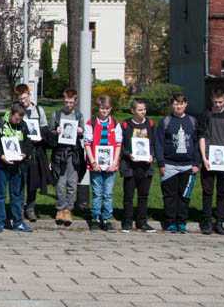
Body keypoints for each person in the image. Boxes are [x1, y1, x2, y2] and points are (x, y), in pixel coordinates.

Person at [155, 92, 200, 234]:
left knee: (184, 195)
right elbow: (159, 143)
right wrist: (161, 162)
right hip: (169, 165)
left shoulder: (192, 121)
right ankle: (170, 222)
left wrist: (196, 163)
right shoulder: (166, 121)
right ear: (171, 105)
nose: (178, 107)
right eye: (176, 104)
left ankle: (181, 222)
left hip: (187, 165)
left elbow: (196, 142)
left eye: (181, 104)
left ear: (186, 104)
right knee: (170, 196)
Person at [196, 88, 224, 235]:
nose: (218, 105)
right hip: (209, 158)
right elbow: (201, 136)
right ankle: (207, 221)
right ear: (211, 100)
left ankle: (219, 221)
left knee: (222, 192)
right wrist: (204, 157)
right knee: (207, 191)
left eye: (220, 102)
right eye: (215, 102)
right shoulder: (206, 114)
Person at [0, 102, 34, 233]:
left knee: (16, 194)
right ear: (11, 114)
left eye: (20, 119)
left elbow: (29, 144)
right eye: (16, 118)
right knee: (1, 194)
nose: (18, 121)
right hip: (3, 165)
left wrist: (25, 153)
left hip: (17, 166)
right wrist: (1, 156)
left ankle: (18, 222)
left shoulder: (23, 125)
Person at [84, 95, 122, 232]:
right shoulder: (91, 123)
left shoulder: (115, 124)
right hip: (96, 164)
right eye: (101, 108)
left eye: (106, 108)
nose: (104, 111)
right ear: (97, 108)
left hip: (110, 165)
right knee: (96, 192)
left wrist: (114, 162)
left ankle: (106, 218)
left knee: (108, 193)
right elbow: (87, 144)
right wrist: (93, 162)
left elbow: (118, 144)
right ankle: (95, 217)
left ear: (110, 109)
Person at [118, 98, 157, 232]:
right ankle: (127, 221)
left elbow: (153, 143)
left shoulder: (150, 124)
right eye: (140, 110)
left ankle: (142, 222)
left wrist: (151, 154)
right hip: (130, 166)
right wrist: (128, 154)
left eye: (144, 109)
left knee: (143, 195)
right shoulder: (126, 125)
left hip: (145, 166)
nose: (143, 112)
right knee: (128, 195)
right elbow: (120, 144)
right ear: (133, 110)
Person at [15, 85, 50, 223]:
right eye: (20, 99)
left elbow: (45, 128)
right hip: (21, 150)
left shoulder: (38, 110)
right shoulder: (16, 110)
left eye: (24, 98)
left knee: (33, 181)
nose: (23, 101)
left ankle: (30, 208)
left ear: (29, 95)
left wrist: (40, 136)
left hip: (35, 151)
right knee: (20, 182)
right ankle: (19, 208)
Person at [50, 89, 84, 227]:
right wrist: (56, 131)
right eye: (66, 102)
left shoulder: (78, 115)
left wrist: (80, 132)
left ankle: (68, 208)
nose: (68, 105)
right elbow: (50, 133)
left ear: (75, 101)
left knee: (72, 182)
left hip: (73, 153)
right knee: (60, 182)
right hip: (60, 153)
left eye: (71, 102)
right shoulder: (57, 115)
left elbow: (83, 133)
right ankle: (60, 208)